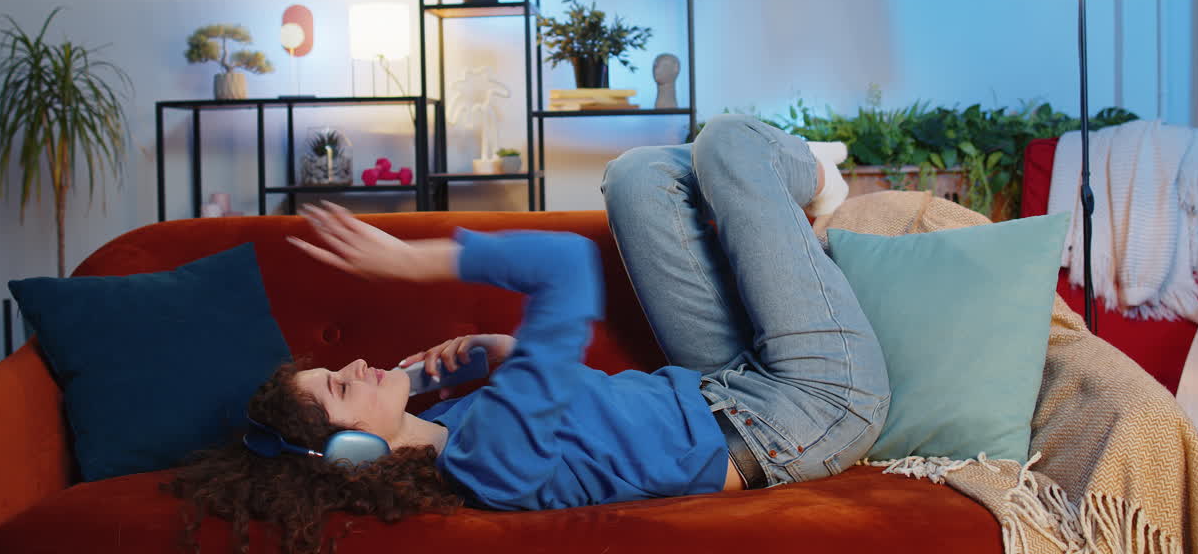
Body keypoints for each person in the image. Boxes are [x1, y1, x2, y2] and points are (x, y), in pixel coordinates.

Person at [163, 114, 889, 554]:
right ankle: (814, 179)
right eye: (340, 389)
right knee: (728, 142)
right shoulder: (492, 455)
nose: (354, 364)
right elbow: (566, 265)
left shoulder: (453, 432)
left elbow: (580, 426)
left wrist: (487, 359)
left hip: (716, 389)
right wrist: (414, 260)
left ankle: (771, 181)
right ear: (352, 455)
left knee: (635, 175)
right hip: (806, 411)